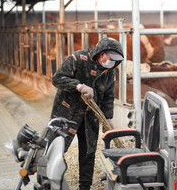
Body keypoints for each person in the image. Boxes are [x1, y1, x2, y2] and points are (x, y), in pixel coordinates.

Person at [50, 37, 124, 190]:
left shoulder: (109, 72)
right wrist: (78, 86)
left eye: (117, 62)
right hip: (67, 112)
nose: (113, 64)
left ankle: (85, 187)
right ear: (101, 54)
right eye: (111, 59)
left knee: (88, 153)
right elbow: (57, 79)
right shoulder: (78, 58)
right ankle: (49, 182)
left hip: (90, 117)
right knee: (55, 149)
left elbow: (108, 96)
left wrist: (107, 118)